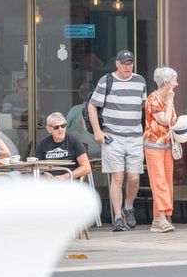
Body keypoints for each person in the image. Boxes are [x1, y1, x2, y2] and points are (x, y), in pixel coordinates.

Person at [88, 49, 148, 232]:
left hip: (135, 136)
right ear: (117, 64)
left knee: (134, 178)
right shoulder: (107, 80)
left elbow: (145, 108)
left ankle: (128, 207)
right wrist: (98, 131)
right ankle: (116, 217)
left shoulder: (140, 81)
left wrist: (146, 130)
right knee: (117, 176)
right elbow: (92, 105)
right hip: (113, 136)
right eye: (124, 63)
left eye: (130, 63)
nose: (128, 67)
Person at [143, 66, 180, 233]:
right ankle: (162, 218)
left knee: (166, 182)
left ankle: (158, 220)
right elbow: (165, 120)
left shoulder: (165, 98)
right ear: (166, 82)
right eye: (174, 80)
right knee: (159, 182)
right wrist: (171, 101)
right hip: (153, 145)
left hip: (166, 145)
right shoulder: (153, 99)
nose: (177, 84)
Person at [34, 112, 91, 180]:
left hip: (69, 183)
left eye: (63, 126)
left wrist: (65, 177)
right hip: (48, 184)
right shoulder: (43, 144)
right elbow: (35, 166)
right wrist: (43, 173)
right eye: (56, 127)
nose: (60, 129)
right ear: (49, 129)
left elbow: (86, 167)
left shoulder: (74, 140)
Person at [65, 82, 97, 158]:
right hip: (98, 148)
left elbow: (63, 127)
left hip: (77, 150)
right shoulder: (100, 110)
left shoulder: (75, 110)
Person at [2, 78, 28, 152]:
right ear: (18, 88)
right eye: (24, 88)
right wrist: (26, 124)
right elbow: (8, 121)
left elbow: (36, 119)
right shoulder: (9, 98)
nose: (26, 91)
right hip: (13, 130)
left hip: (27, 130)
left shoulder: (32, 99)